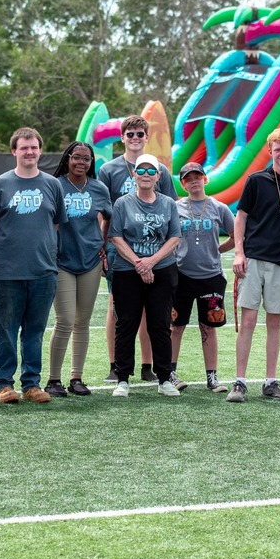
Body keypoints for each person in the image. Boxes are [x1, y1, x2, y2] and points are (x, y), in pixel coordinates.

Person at [228, 128, 280, 402]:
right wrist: (239, 253)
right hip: (252, 260)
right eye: (278, 149)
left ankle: (271, 382)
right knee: (249, 320)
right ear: (270, 151)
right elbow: (240, 217)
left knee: (275, 321)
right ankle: (239, 382)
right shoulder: (256, 180)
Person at [0, 127, 67, 404]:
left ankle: (31, 384)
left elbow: (55, 223)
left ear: (40, 150)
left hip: (44, 271)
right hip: (9, 272)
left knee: (35, 331)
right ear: (14, 151)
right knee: (6, 330)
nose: (29, 152)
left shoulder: (52, 185)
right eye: (24, 148)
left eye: (33, 147)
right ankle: (3, 384)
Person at [97, 115, 176, 383]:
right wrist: (102, 246)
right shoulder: (109, 169)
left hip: (154, 250)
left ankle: (146, 365)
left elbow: (169, 207)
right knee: (117, 307)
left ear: (146, 137)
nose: (134, 138)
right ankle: (115, 365)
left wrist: (157, 257)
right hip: (119, 248)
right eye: (129, 134)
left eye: (139, 134)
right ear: (122, 137)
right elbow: (103, 214)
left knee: (150, 309)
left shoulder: (160, 169)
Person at [109, 153, 182, 397]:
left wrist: (151, 262)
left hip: (162, 270)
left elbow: (174, 237)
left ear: (159, 176)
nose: (146, 175)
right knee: (126, 324)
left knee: (160, 325)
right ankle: (122, 379)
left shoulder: (168, 203)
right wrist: (139, 263)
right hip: (127, 271)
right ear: (134, 174)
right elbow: (116, 237)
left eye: (152, 171)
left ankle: (164, 378)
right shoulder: (122, 203)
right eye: (141, 171)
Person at [45, 142, 112, 397]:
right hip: (61, 261)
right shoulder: (55, 185)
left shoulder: (99, 188)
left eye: (87, 158)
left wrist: (103, 244)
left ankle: (76, 378)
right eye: (77, 157)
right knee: (64, 321)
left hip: (91, 262)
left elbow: (109, 216)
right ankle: (53, 380)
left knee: (82, 322)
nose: (81, 162)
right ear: (68, 158)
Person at [169, 162, 235, 393]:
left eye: (197, 177)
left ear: (205, 179)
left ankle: (212, 378)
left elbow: (237, 236)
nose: (194, 181)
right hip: (181, 276)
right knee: (176, 326)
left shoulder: (219, 207)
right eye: (188, 178)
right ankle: (170, 374)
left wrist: (218, 250)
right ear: (183, 183)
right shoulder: (175, 208)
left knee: (209, 327)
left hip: (211, 276)